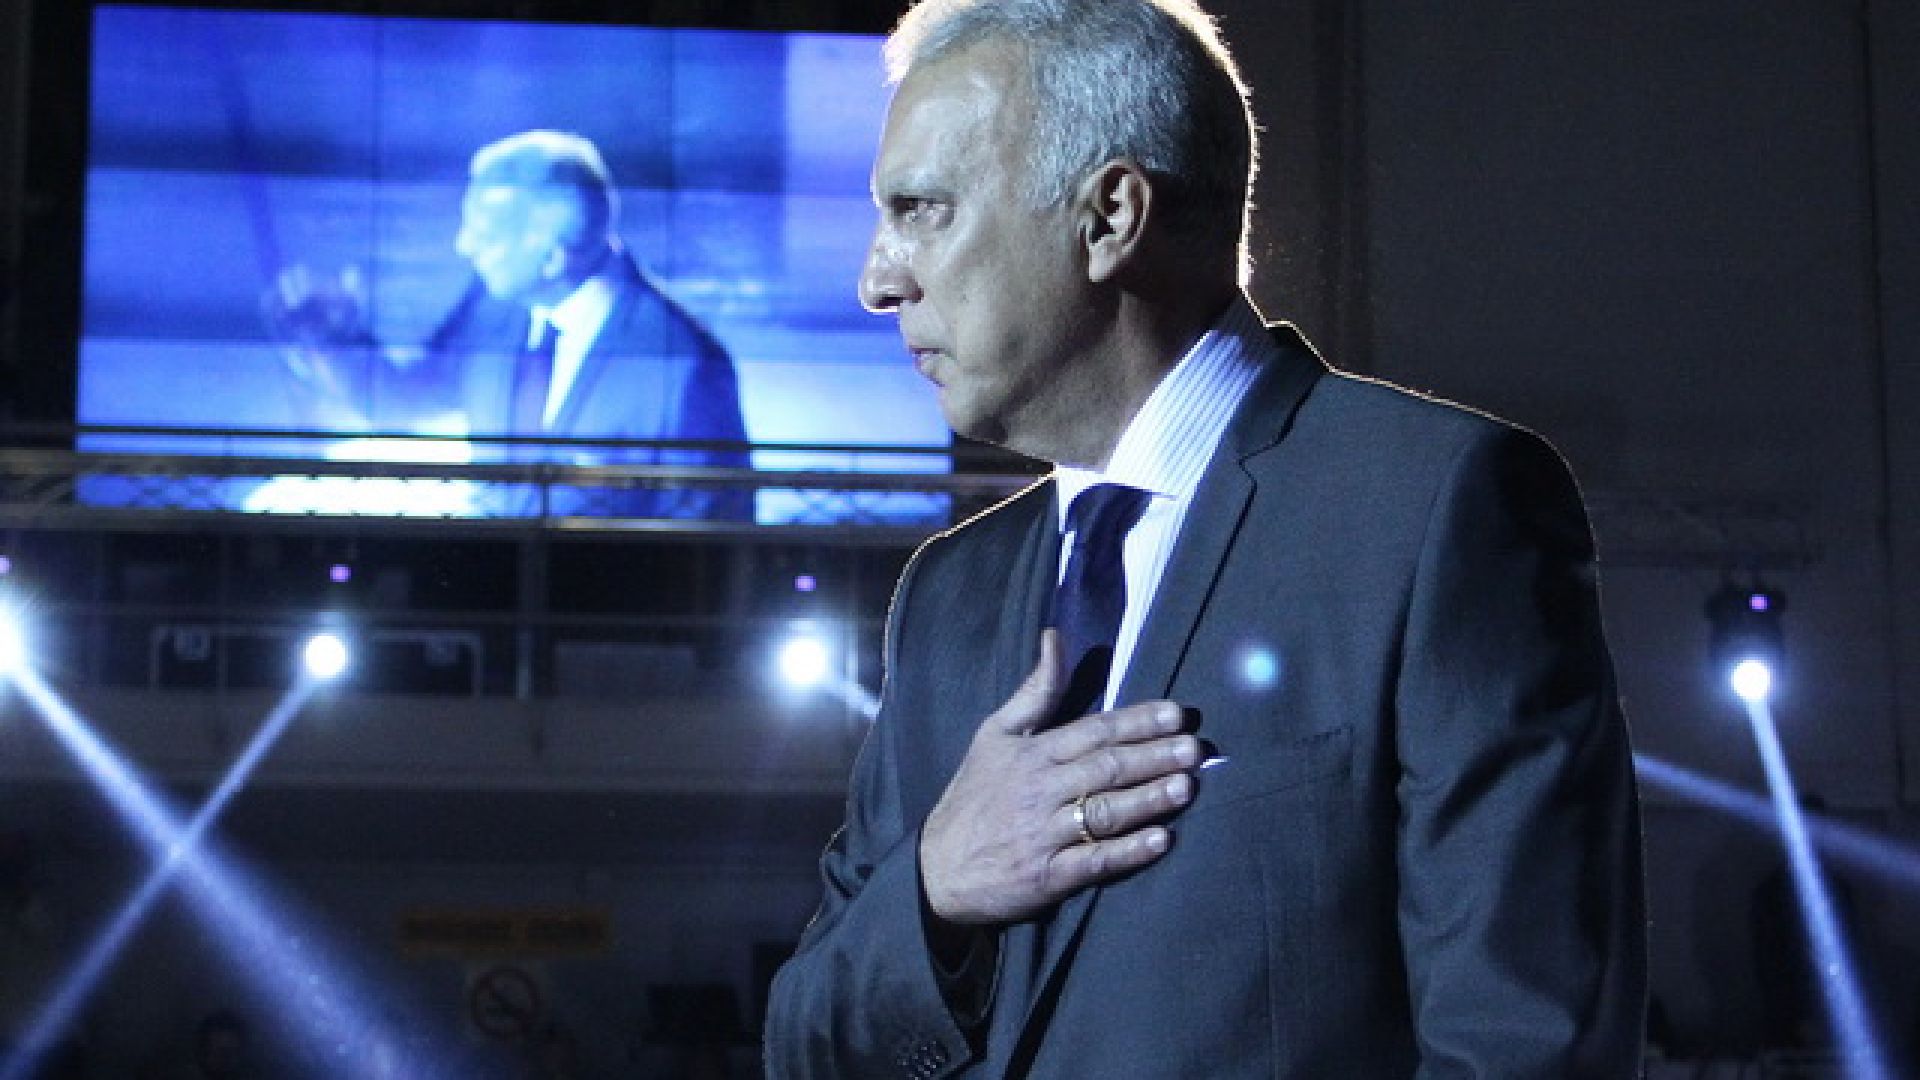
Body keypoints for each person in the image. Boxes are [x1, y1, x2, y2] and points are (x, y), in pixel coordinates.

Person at [763, 1, 1647, 1077]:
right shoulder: (946, 594)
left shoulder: (1431, 509)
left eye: (921, 210)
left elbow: (1524, 1045)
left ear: (1109, 217)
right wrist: (937, 885)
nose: (877, 279)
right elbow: (804, 1044)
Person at [270, 129, 751, 519]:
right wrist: (329, 337)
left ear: (553, 257)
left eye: (486, 234)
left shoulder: (684, 365)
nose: (463, 245)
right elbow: (405, 399)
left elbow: (712, 532)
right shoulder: (491, 307)